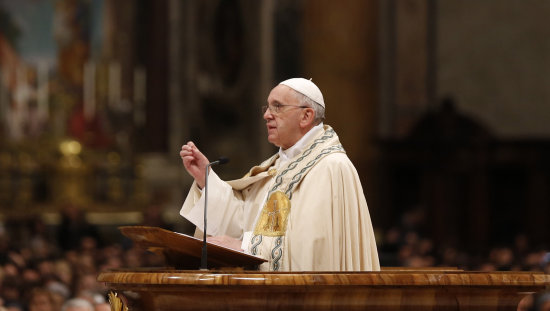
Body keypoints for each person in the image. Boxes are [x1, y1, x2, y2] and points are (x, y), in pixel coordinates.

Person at [180, 78, 379, 271]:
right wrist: (207, 181)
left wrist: (246, 247)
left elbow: (314, 248)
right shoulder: (275, 168)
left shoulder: (330, 167)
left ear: (306, 116)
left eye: (277, 106)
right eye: (266, 107)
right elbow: (244, 222)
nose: (267, 115)